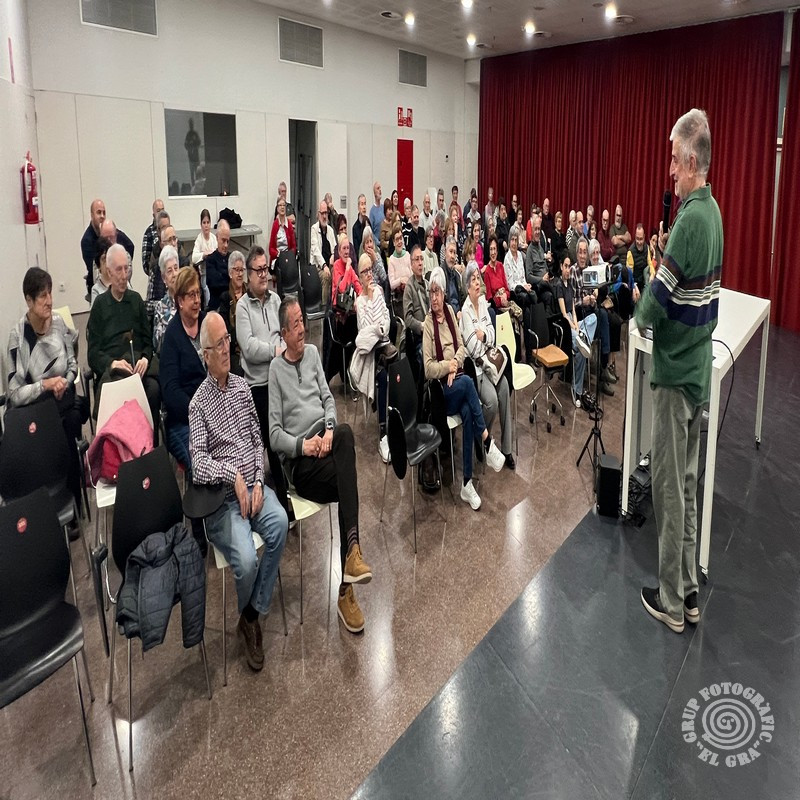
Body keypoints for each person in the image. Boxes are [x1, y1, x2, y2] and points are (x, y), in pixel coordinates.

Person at [637, 109, 722, 634]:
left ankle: (669, 602)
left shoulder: (689, 220)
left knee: (668, 491)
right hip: (698, 372)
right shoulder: (713, 214)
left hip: (673, 375)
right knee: (687, 488)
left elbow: (654, 304)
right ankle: (689, 592)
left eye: (673, 159)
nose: (669, 169)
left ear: (691, 161)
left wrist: (640, 306)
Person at [189, 312, 288, 671]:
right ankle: (252, 618)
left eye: (228, 340)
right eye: (219, 344)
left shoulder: (242, 388)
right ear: (205, 355)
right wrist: (233, 476)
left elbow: (258, 441)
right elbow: (198, 463)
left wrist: (259, 481)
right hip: (223, 503)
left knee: (280, 524)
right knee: (246, 561)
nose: (226, 349)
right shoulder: (198, 404)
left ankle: (250, 615)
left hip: (254, 490)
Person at [269, 296, 373, 634]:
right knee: (348, 481)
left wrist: (328, 428)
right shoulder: (275, 371)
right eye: (296, 324)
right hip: (302, 464)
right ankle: (348, 580)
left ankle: (351, 560)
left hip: (327, 444)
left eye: (303, 321)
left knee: (344, 433)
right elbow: (274, 435)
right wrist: (304, 445)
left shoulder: (313, 354)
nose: (302, 329)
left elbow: (328, 399)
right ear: (284, 333)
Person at [7, 267, 88, 516]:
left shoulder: (59, 324)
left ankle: (72, 504)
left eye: (50, 293)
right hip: (36, 409)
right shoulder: (18, 338)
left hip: (62, 402)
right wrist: (45, 385)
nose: (50, 301)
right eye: (42, 296)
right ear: (29, 301)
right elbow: (14, 393)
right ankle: (45, 508)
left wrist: (64, 381)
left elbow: (73, 365)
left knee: (71, 421)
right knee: (50, 435)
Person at [423, 268, 505, 510]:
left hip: (456, 381)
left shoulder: (450, 312)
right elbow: (427, 368)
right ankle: (487, 443)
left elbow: (461, 347)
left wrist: (455, 364)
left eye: (438, 292)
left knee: (469, 412)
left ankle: (466, 484)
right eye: (431, 293)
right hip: (441, 392)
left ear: (444, 293)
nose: (434, 298)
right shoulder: (428, 324)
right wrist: (446, 367)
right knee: (469, 383)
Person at [236, 246, 290, 517]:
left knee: (297, 422)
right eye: (258, 270)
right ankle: (284, 498)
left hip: (280, 376)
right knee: (275, 438)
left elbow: (283, 334)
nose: (263, 275)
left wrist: (280, 349)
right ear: (248, 275)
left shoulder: (276, 300)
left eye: (265, 269)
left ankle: (296, 481)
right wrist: (274, 351)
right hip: (258, 385)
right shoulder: (242, 307)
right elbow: (248, 348)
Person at [87, 244, 160, 443]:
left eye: (126, 269)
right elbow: (93, 354)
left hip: (137, 369)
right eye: (118, 270)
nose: (123, 275)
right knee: (115, 395)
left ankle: (150, 446)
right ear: (109, 272)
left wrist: (145, 358)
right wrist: (112, 363)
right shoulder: (100, 306)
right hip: (114, 372)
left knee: (153, 389)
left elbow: (148, 341)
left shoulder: (136, 300)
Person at [460, 263, 514, 469]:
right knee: (491, 401)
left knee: (505, 389)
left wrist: (483, 336)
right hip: (478, 368)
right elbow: (473, 349)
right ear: (467, 287)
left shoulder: (483, 302)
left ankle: (506, 449)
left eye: (478, 278)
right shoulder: (465, 311)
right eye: (473, 280)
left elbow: (492, 335)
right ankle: (483, 438)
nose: (477, 283)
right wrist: (484, 338)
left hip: (492, 362)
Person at [160, 267, 206, 473]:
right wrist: (197, 411)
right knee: (202, 463)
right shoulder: (172, 336)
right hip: (183, 420)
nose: (197, 300)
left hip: (213, 412)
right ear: (179, 301)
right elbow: (170, 391)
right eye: (191, 295)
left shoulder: (207, 323)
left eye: (198, 293)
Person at [352, 253, 392, 461]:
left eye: (370, 270)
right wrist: (379, 329)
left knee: (401, 370)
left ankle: (397, 421)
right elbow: (364, 334)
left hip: (386, 347)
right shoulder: (360, 302)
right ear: (359, 276)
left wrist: (378, 329)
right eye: (364, 271)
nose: (369, 274)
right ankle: (383, 432)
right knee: (383, 377)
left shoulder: (379, 293)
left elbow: (387, 320)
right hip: (371, 354)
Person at [555, 254, 597, 409]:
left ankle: (582, 339)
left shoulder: (570, 287)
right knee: (580, 352)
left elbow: (573, 310)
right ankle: (577, 390)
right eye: (565, 266)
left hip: (574, 323)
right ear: (561, 267)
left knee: (593, 318)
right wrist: (573, 327)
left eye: (569, 267)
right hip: (566, 325)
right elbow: (564, 313)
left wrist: (578, 327)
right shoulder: (559, 286)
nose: (567, 270)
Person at [80, 199, 134, 295]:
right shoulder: (87, 241)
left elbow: (130, 246)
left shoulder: (111, 230)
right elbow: (95, 270)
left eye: (104, 213)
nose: (102, 216)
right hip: (99, 286)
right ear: (92, 215)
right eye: (98, 212)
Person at [217, 250, 247, 375]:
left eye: (242, 270)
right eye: (236, 270)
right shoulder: (225, 297)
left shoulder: (250, 294)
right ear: (230, 273)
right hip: (234, 349)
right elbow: (225, 328)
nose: (240, 274)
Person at [403, 243, 430, 371]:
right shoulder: (409, 288)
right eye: (417, 259)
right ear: (411, 264)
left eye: (421, 259)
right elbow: (408, 319)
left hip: (433, 331)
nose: (420, 263)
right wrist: (421, 326)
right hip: (420, 337)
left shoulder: (428, 284)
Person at [151, 245, 181, 354]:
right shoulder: (161, 306)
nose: (174, 274)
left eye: (176, 268)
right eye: (169, 271)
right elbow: (157, 344)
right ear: (164, 278)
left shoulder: (189, 298)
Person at [310, 200, 335, 309]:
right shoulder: (314, 229)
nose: (324, 216)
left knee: (339, 274)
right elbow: (315, 251)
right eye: (322, 213)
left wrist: (333, 256)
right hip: (318, 267)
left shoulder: (330, 230)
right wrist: (324, 265)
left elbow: (334, 248)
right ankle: (325, 308)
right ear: (318, 214)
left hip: (330, 265)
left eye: (326, 213)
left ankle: (336, 306)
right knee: (326, 276)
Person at [268, 196, 297, 290]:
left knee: (288, 265)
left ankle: (290, 291)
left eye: (283, 205)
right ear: (277, 208)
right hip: (278, 257)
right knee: (281, 266)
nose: (282, 207)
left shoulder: (289, 225)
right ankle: (281, 293)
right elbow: (271, 248)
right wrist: (279, 254)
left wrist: (288, 255)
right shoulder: (275, 225)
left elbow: (293, 247)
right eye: (280, 205)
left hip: (288, 256)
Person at [191, 209, 218, 304]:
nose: (206, 225)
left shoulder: (214, 238)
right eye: (204, 223)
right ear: (201, 224)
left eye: (208, 222)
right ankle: (208, 307)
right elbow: (194, 258)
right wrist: (203, 254)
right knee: (206, 288)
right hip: (204, 274)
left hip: (214, 271)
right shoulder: (199, 239)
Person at [205, 219, 231, 311]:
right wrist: (229, 278)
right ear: (217, 237)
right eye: (223, 240)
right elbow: (214, 284)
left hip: (230, 305)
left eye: (228, 241)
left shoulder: (232, 258)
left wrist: (222, 275)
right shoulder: (210, 260)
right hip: (216, 306)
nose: (226, 245)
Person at [627, 223, 652, 297]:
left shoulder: (647, 248)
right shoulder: (630, 252)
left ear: (644, 237)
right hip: (635, 284)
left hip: (644, 282)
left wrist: (652, 275)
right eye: (637, 238)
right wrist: (634, 287)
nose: (639, 242)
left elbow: (650, 265)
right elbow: (629, 274)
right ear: (635, 236)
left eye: (641, 239)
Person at [142, 198, 164, 274]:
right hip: (156, 275)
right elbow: (145, 265)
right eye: (158, 211)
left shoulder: (170, 230)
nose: (161, 213)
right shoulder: (148, 233)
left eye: (162, 210)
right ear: (153, 215)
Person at [90, 237, 114, 307]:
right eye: (104, 259)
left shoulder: (124, 283)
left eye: (110, 258)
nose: (108, 262)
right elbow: (95, 312)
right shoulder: (96, 289)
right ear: (98, 265)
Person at [184, 118, 202, 183]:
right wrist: (189, 147)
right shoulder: (188, 135)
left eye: (191, 123)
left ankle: (197, 185)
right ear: (189, 125)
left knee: (197, 173)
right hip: (191, 158)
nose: (191, 125)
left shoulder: (195, 134)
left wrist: (194, 144)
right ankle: (193, 186)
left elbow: (199, 142)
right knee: (192, 174)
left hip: (196, 157)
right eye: (190, 124)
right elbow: (185, 145)